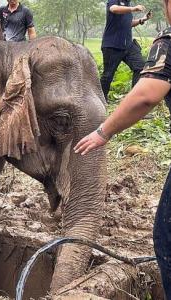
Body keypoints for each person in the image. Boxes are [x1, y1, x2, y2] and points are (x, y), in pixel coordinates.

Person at [74, 1, 171, 297]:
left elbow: (146, 95)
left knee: (167, 237)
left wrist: (104, 131)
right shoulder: (114, 4)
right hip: (111, 47)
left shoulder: (168, 42)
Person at [100, 0, 152, 101]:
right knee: (108, 75)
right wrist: (134, 9)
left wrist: (143, 19)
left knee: (140, 67)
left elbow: (129, 23)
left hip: (128, 45)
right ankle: (101, 102)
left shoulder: (127, 5)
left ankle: (134, 101)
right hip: (113, 45)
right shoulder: (115, 1)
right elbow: (113, 9)